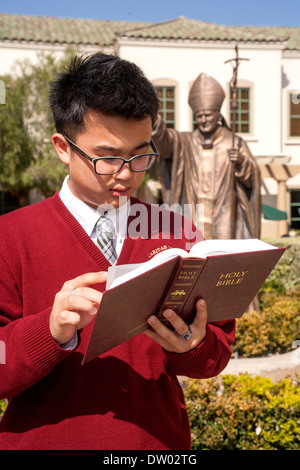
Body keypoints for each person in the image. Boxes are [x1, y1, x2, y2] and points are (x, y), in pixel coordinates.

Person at [0, 53, 235, 450]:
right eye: (107, 158)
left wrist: (192, 348)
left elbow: (216, 353)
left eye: (140, 154)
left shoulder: (175, 229)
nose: (126, 173)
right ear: (62, 147)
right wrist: (50, 331)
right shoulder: (11, 236)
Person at [152, 72, 261, 240]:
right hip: (194, 211)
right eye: (199, 116)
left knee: (223, 259)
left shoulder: (234, 142)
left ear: (218, 114)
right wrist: (154, 119)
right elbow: (165, 141)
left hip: (223, 212)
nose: (203, 120)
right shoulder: (186, 142)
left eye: (208, 115)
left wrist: (241, 162)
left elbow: (252, 178)